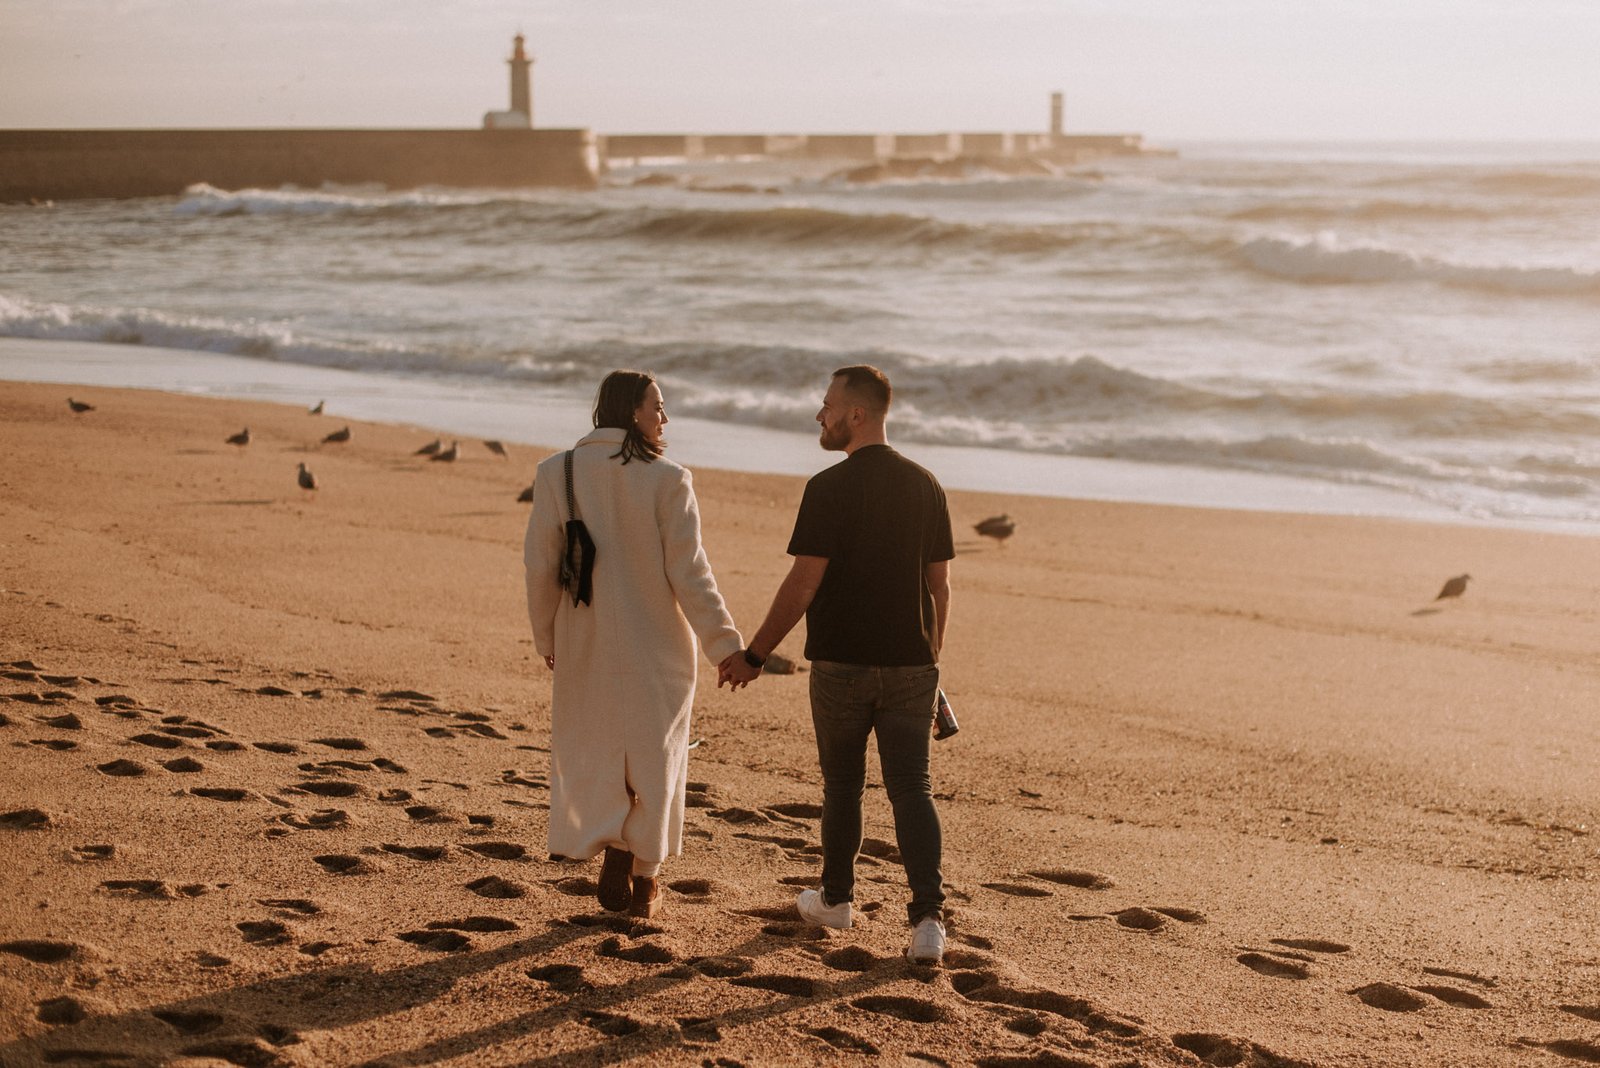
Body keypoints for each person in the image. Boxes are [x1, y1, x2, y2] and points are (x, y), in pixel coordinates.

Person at [720, 365, 954, 964]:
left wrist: (754, 654)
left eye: (827, 405)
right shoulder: (926, 484)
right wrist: (932, 665)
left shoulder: (827, 488)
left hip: (842, 666)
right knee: (912, 789)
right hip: (910, 667)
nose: (819, 415)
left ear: (857, 414)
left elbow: (802, 584)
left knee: (843, 787)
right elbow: (940, 589)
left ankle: (837, 899)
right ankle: (927, 922)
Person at [525, 370, 744, 920]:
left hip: (584, 639)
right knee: (657, 759)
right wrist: (724, 646)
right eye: (658, 407)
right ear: (632, 411)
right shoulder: (669, 479)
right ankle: (644, 878)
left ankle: (612, 844)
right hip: (660, 648)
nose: (664, 418)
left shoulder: (559, 472)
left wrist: (546, 635)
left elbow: (540, 566)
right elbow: (691, 575)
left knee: (596, 751)